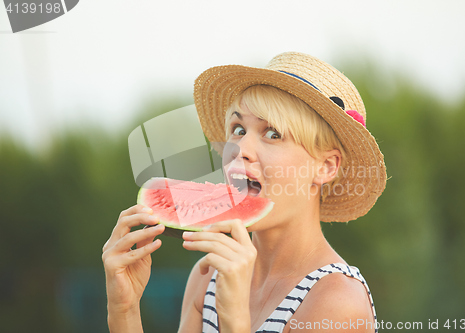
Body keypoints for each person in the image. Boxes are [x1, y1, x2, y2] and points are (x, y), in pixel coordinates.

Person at [102, 52, 387, 333]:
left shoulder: (337, 302)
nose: (241, 149)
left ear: (325, 166)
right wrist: (123, 310)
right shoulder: (207, 278)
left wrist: (236, 320)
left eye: (273, 134)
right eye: (238, 129)